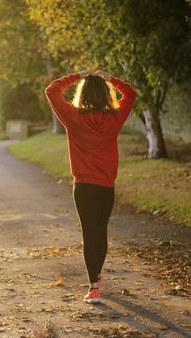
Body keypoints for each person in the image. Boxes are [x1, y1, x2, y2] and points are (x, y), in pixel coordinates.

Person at [45, 69, 138, 304]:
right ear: (106, 95)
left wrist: (77, 76)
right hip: (106, 187)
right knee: (101, 231)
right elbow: (130, 93)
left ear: (82, 94)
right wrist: (111, 79)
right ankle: (96, 276)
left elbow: (52, 90)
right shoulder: (114, 119)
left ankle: (94, 286)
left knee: (89, 233)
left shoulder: (73, 117)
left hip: (83, 187)